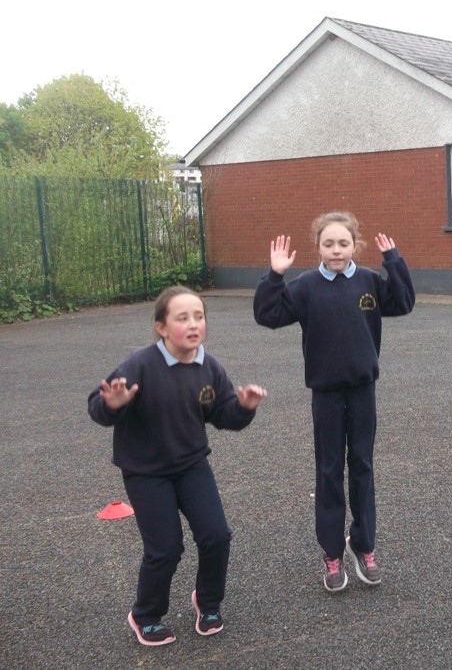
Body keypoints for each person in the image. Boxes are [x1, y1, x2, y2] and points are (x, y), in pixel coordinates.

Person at [88, 286, 268, 647]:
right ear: (161, 327)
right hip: (146, 471)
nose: (193, 324)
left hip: (190, 464)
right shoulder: (140, 364)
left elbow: (223, 415)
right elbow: (98, 406)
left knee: (216, 536)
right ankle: (146, 615)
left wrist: (243, 408)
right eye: (182, 318)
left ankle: (208, 602)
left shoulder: (209, 366)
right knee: (166, 549)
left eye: (199, 316)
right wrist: (113, 404)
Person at [253, 212, 415, 593]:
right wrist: (275, 275)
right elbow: (267, 314)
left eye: (343, 243)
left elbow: (404, 301)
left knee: (362, 466)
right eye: (329, 244)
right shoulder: (306, 286)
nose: (337, 250)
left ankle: (364, 544)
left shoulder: (369, 281)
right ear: (319, 247)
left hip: (362, 391)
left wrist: (394, 261)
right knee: (328, 470)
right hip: (325, 394)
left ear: (355, 245)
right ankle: (332, 553)